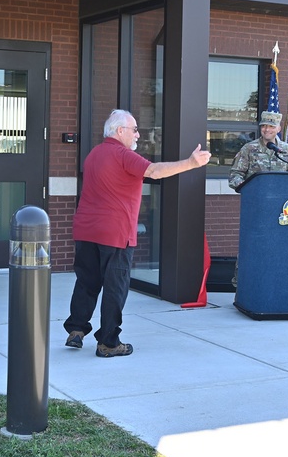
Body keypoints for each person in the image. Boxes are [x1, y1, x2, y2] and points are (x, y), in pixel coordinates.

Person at [64, 109, 212, 358]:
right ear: (120, 131)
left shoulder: (93, 154)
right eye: (134, 129)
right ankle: (108, 343)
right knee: (115, 288)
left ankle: (76, 329)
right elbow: (154, 171)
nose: (137, 134)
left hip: (86, 230)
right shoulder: (122, 154)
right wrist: (190, 163)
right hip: (115, 233)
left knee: (87, 282)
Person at [226, 110, 288, 191]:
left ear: (279, 129)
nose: (267, 129)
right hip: (256, 197)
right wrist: (248, 187)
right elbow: (235, 175)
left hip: (280, 198)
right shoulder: (249, 148)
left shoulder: (286, 149)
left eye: (272, 126)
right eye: (264, 126)